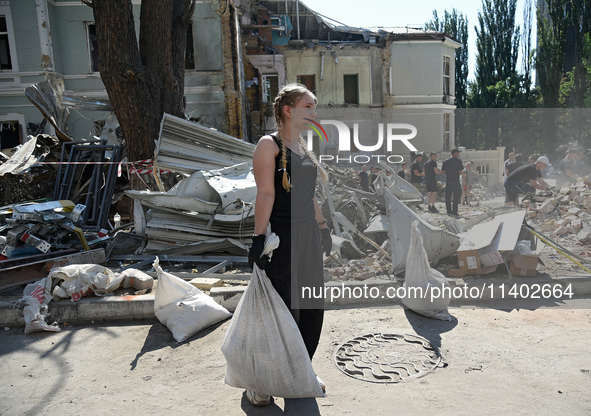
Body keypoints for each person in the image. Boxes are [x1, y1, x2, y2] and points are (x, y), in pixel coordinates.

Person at [248, 83, 330, 405]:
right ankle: (262, 382)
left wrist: (322, 227)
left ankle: (299, 370)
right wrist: (258, 239)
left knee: (311, 307)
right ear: (288, 110)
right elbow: (266, 194)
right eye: (309, 106)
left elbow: (310, 197)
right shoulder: (269, 146)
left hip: (308, 236)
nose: (314, 113)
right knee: (281, 311)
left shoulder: (304, 148)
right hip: (282, 237)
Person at [441, 149, 464, 216]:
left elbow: (442, 172)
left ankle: (448, 211)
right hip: (456, 182)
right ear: (454, 153)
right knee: (456, 197)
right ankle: (454, 211)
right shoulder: (458, 161)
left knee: (448, 197)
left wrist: (448, 174)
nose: (459, 155)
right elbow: (461, 172)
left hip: (448, 181)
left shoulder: (445, 161)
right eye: (458, 153)